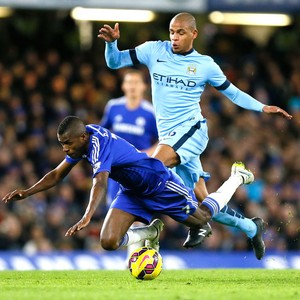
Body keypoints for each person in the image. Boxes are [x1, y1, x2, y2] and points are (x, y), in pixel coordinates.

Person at [98, 12, 292, 259]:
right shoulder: (153, 51)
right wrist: (111, 43)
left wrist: (262, 107)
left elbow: (233, 93)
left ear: (194, 34)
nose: (174, 37)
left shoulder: (205, 65)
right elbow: (115, 62)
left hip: (192, 131)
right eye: (171, 32)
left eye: (180, 32)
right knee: (203, 202)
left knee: (153, 168)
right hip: (170, 137)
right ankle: (251, 227)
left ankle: (175, 227)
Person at [2, 116, 255, 255]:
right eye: (62, 144)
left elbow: (100, 182)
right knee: (108, 242)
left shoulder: (98, 144)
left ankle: (237, 177)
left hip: (159, 183)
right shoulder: (81, 141)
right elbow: (57, 175)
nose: (65, 149)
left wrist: (87, 215)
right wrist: (27, 192)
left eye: (67, 143)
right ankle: (150, 232)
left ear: (81, 137)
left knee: (203, 218)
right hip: (132, 191)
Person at [100, 68, 158, 256]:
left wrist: (145, 153)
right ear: (123, 86)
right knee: (115, 208)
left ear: (143, 87)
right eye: (129, 82)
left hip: (139, 169)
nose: (132, 86)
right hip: (116, 170)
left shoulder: (150, 113)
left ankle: (134, 256)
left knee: (134, 209)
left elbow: (162, 141)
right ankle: (136, 250)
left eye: (136, 83)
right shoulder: (113, 107)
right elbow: (103, 132)